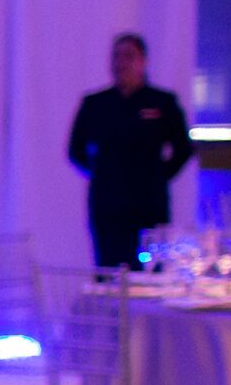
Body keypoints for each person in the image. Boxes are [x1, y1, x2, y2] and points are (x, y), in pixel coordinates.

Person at [69, 32, 193, 270]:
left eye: (128, 56)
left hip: (149, 204)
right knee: (110, 268)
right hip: (109, 204)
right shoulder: (96, 104)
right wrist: (102, 174)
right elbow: (75, 150)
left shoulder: (161, 102)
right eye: (116, 57)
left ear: (143, 61)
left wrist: (158, 176)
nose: (121, 63)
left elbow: (183, 149)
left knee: (150, 267)